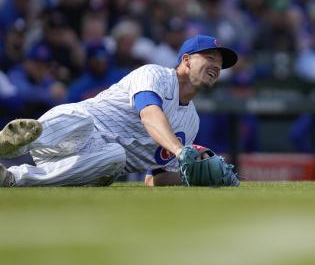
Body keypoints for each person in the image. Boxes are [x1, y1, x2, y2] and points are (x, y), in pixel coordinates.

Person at [0, 35, 239, 187]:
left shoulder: (191, 122)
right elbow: (149, 114)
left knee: (115, 155)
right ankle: (14, 143)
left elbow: (155, 178)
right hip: (71, 132)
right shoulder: (154, 74)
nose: (216, 66)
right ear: (186, 60)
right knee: (81, 119)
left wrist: (199, 177)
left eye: (220, 64)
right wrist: (179, 150)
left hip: (91, 164)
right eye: (209, 58)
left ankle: (12, 178)